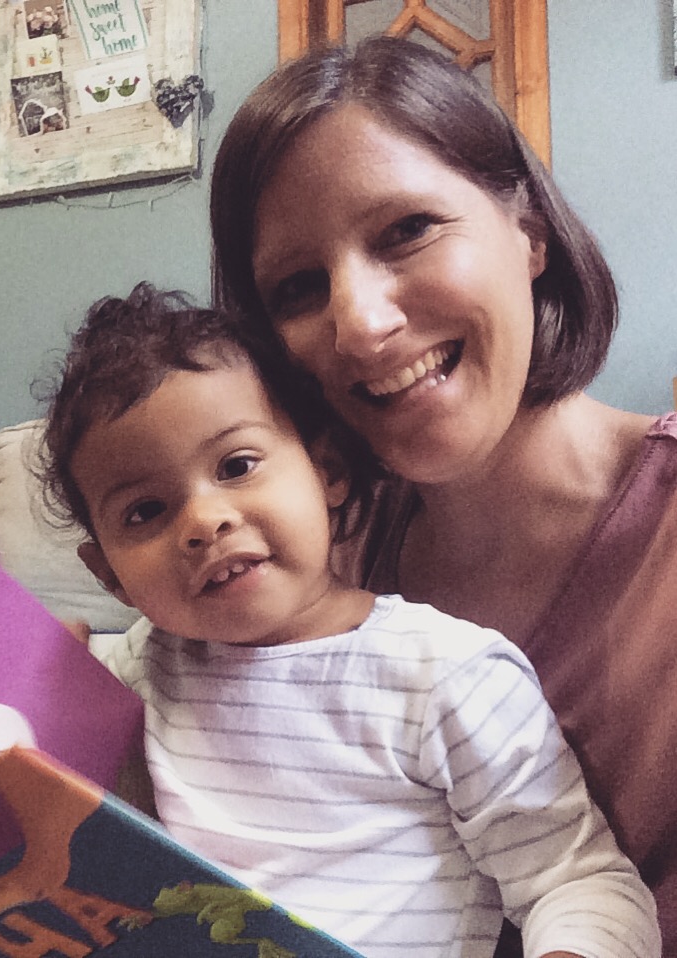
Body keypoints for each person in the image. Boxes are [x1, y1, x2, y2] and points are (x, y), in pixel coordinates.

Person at [209, 33, 677, 956]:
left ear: (529, 231)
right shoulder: (311, 569)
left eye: (407, 231)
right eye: (299, 287)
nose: (360, 324)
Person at [32, 281, 660, 958]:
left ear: (326, 470)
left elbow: (577, 881)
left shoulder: (446, 674)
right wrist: (36, 685)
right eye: (145, 512)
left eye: (237, 465)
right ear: (110, 576)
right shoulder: (144, 665)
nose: (203, 521)